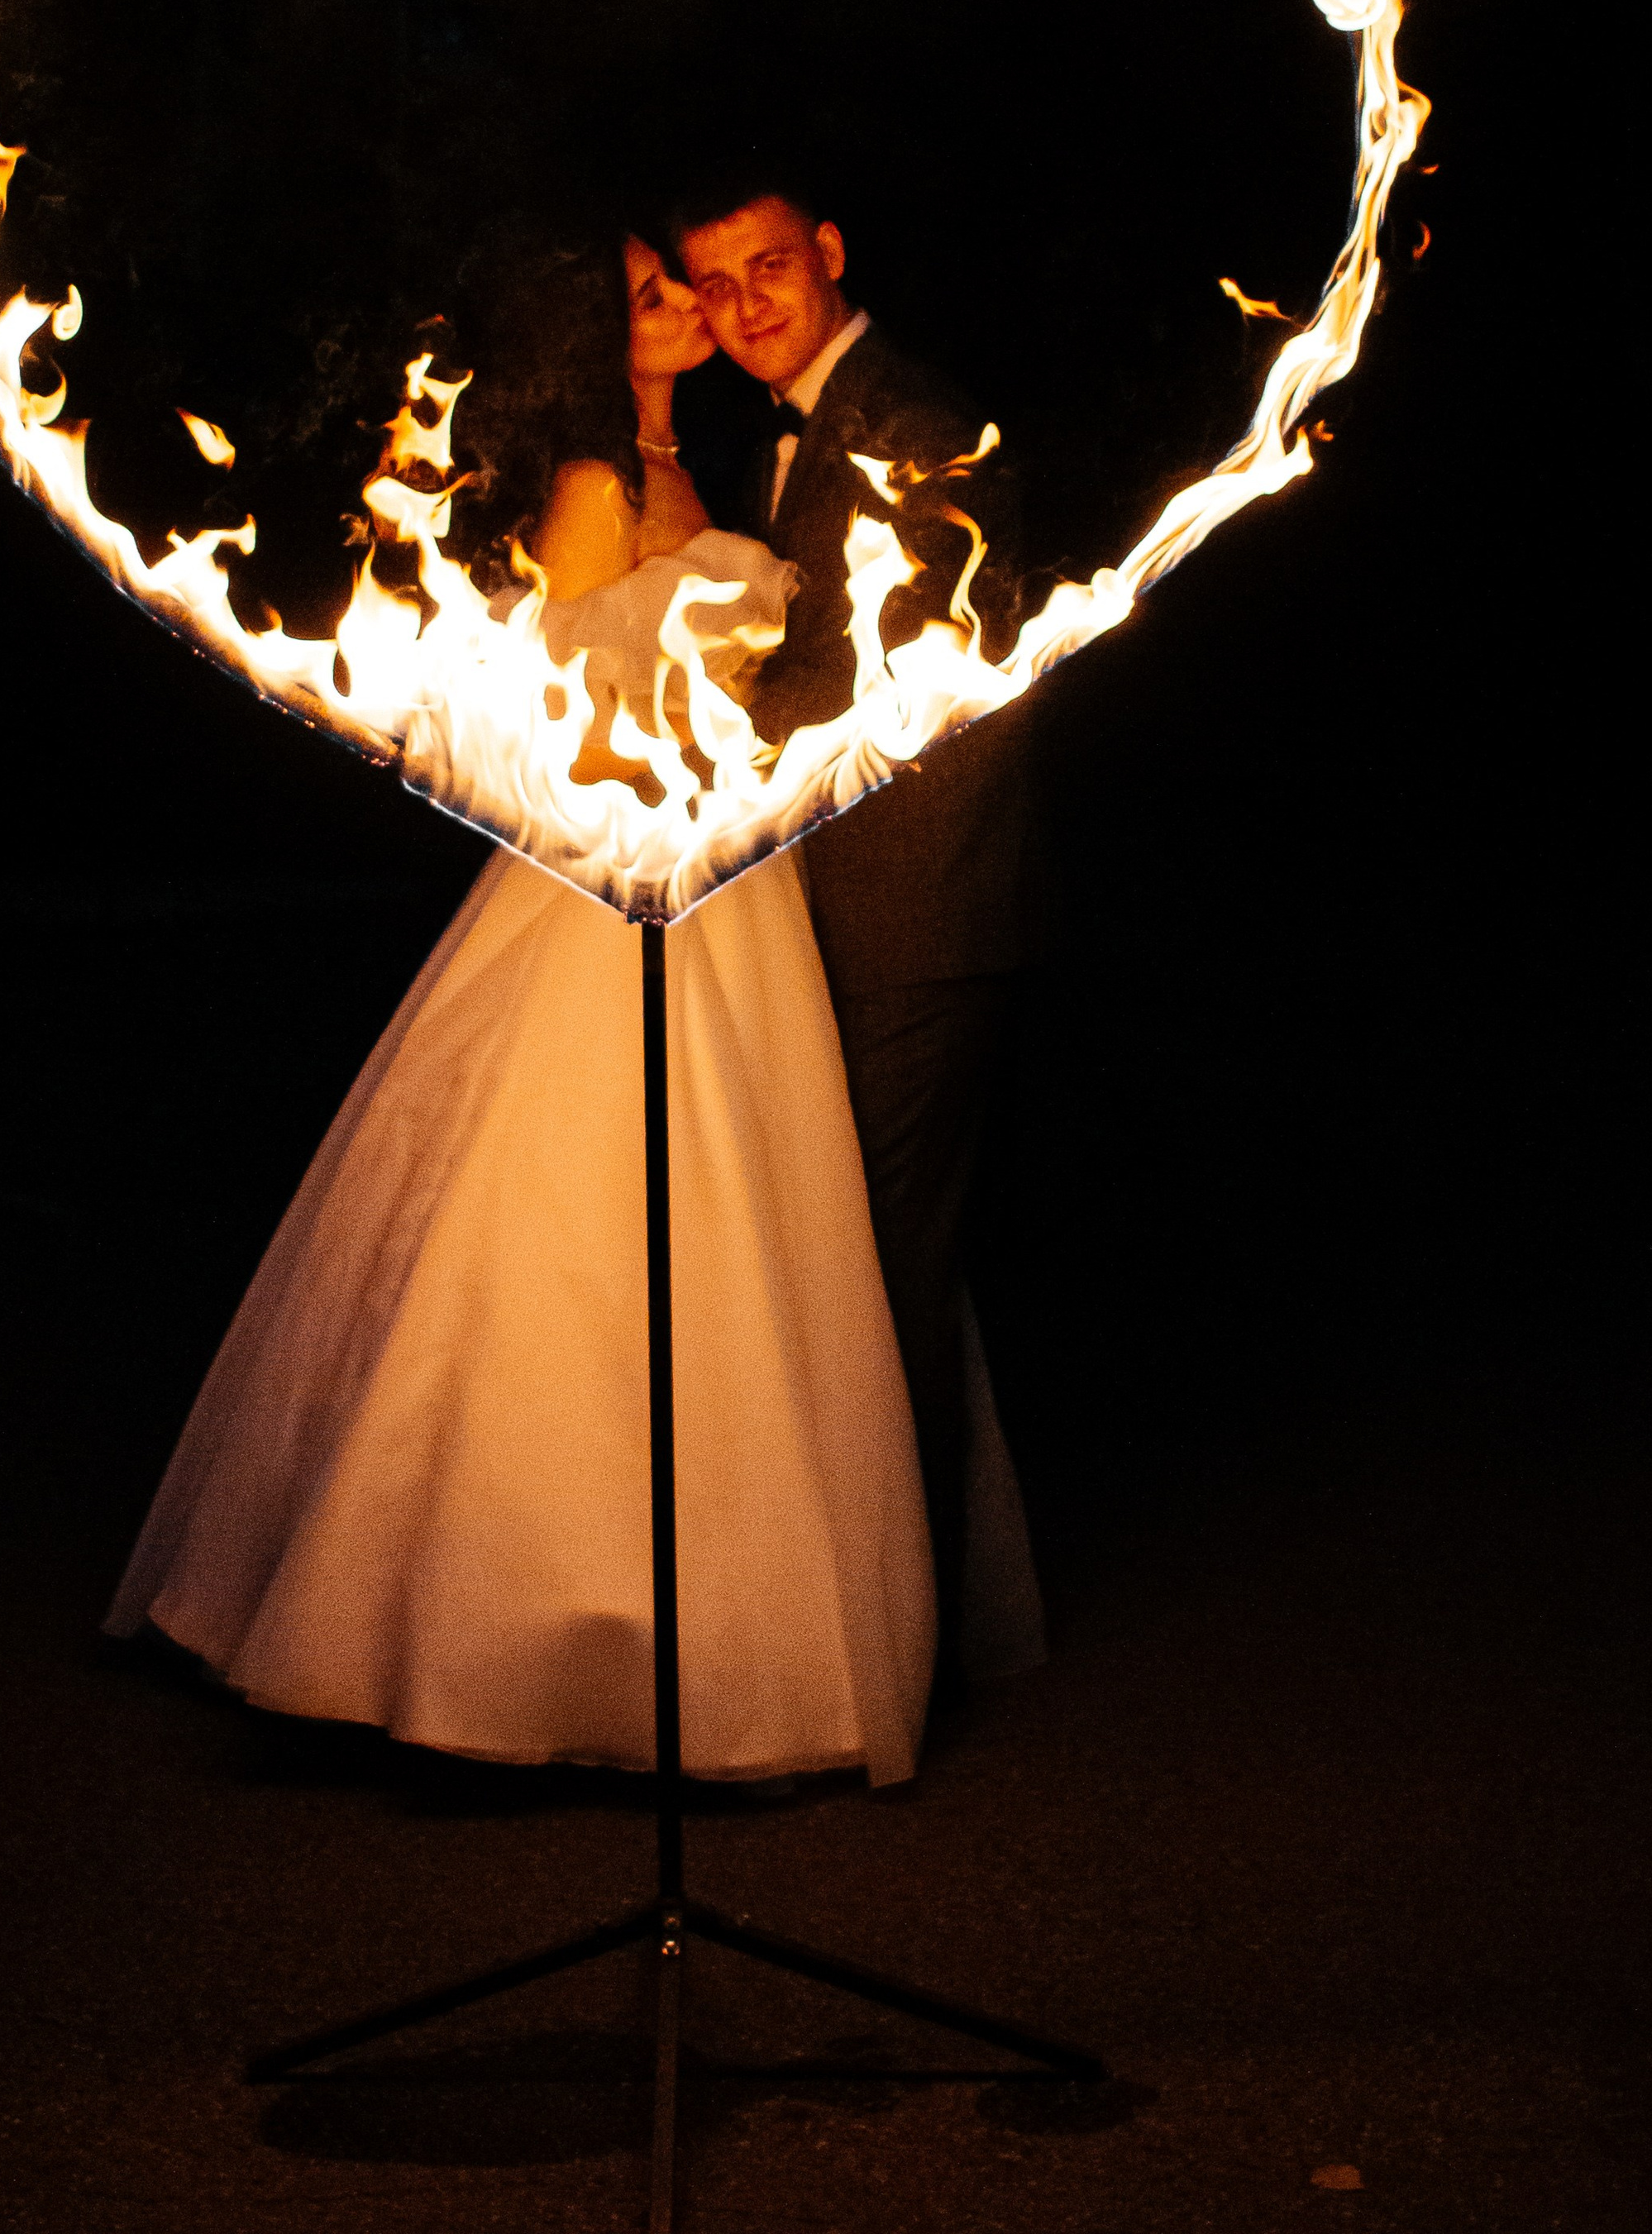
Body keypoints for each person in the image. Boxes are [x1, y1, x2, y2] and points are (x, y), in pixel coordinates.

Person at [106, 229, 1038, 1786]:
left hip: (748, 893)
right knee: (584, 1244)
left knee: (806, 1255)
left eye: (700, 280)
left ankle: (827, 1618)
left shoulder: (682, 457)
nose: (690, 309)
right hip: (632, 889)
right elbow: (567, 723)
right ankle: (515, 1635)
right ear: (587, 329)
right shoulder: (596, 489)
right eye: (656, 294)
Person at [670, 169, 1041, 1689]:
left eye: (769, 268)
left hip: (915, 899)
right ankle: (871, 1617)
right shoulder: (785, 426)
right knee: (850, 1257)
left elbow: (889, 673)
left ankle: (907, 1652)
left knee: (889, 1260)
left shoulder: (915, 411)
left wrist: (692, 734)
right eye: (716, 286)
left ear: (828, 252)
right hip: (822, 898)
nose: (748, 307)